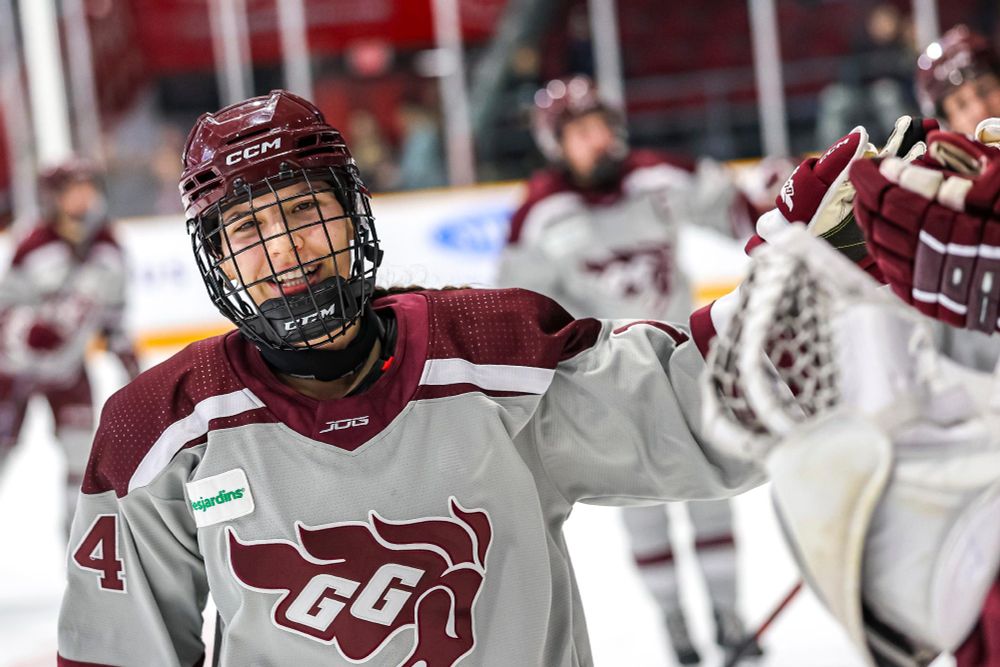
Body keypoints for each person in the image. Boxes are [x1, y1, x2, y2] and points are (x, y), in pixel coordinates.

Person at [56, 90, 763, 667]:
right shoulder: (156, 434)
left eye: (304, 210)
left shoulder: (497, 361)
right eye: (247, 229)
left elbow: (695, 407)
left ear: (352, 210)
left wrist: (815, 277)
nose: (284, 249)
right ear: (217, 261)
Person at [497, 75, 759, 665]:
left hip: (688, 369)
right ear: (554, 145)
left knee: (714, 494)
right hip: (606, 388)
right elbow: (519, 312)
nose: (596, 140)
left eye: (600, 126)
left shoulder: (657, 175)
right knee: (643, 513)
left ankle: (729, 617)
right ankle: (676, 626)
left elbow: (741, 208)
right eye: (579, 132)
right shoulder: (539, 215)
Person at [0, 159, 139, 532]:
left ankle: (78, 547)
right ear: (54, 197)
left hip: (69, 369)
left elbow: (114, 317)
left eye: (88, 188)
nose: (83, 197)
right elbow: (5, 308)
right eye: (72, 190)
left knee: (82, 460)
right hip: (12, 373)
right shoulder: (33, 246)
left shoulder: (110, 249)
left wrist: (132, 368)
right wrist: (27, 330)